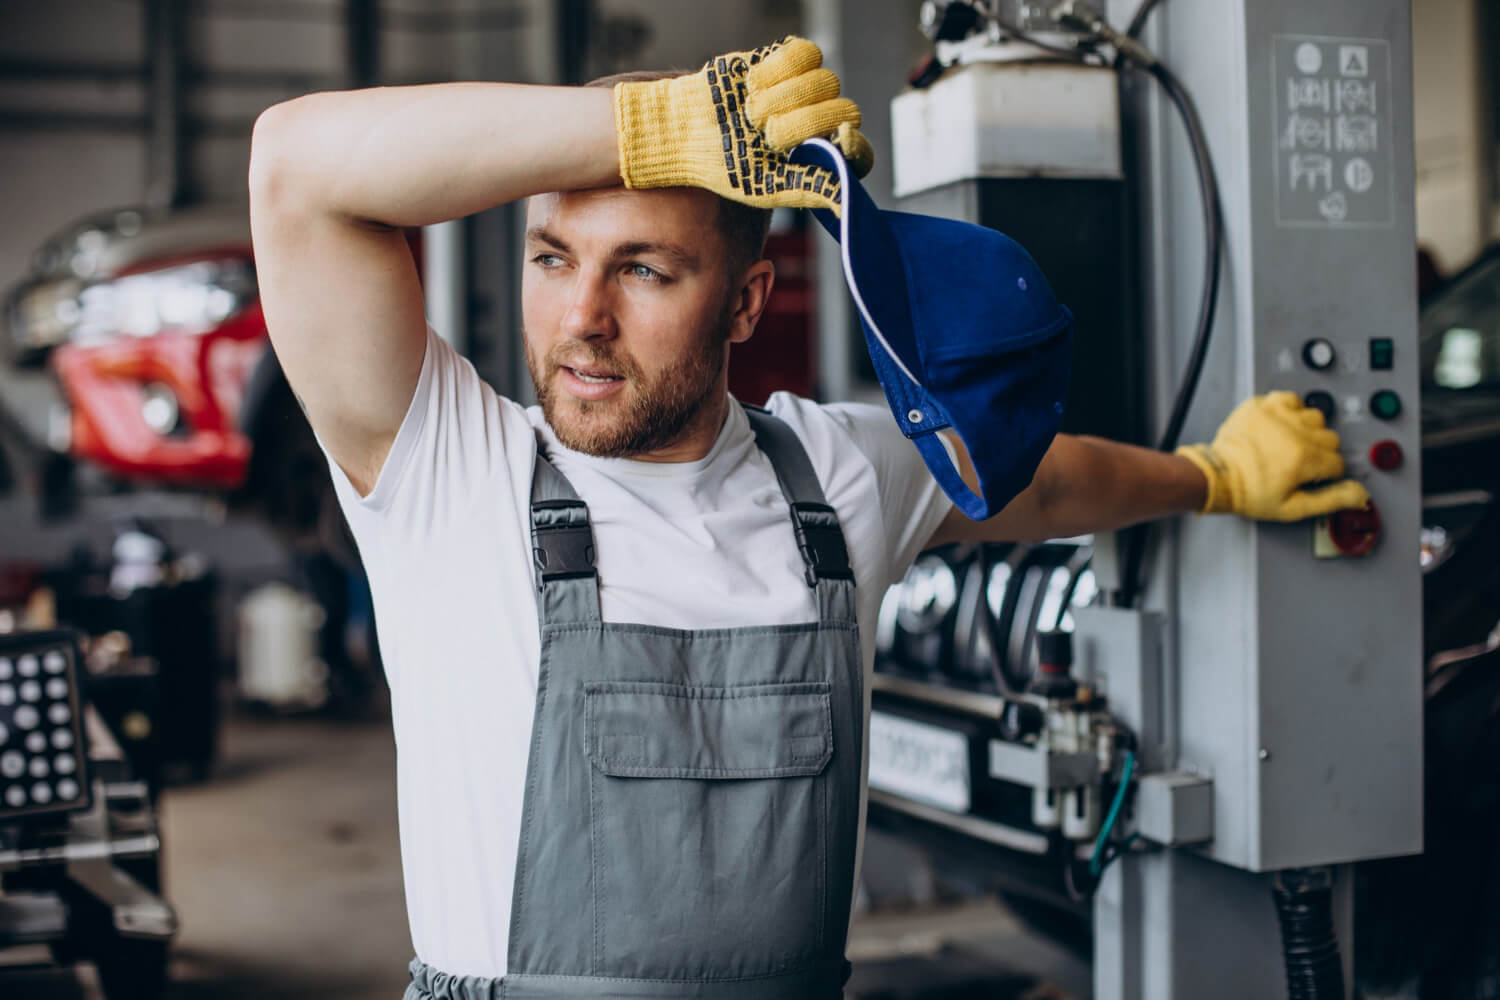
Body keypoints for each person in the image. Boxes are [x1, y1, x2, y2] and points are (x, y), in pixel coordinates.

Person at [248, 37, 1369, 1000]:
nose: (582, 320)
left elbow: (1044, 481)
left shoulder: (830, 478)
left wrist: (1211, 475)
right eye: (554, 258)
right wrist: (649, 125)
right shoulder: (448, 471)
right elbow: (296, 169)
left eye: (643, 270)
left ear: (745, 299)